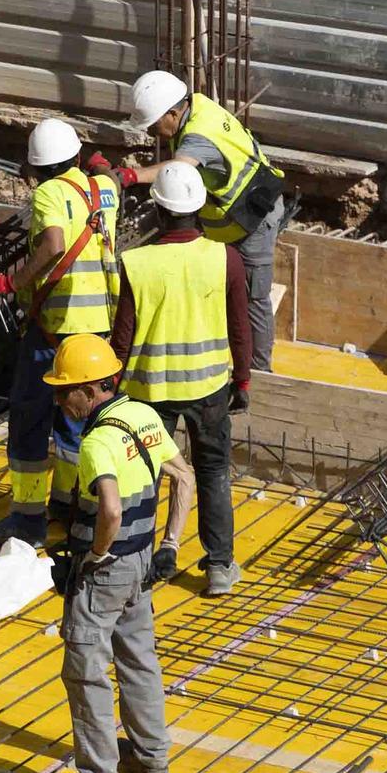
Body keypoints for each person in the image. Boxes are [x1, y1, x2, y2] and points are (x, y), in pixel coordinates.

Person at [34, 335, 195, 773]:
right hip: (142, 562)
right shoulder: (143, 416)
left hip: (107, 570)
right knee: (138, 657)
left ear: (90, 388)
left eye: (66, 391)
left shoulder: (97, 441)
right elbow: (183, 478)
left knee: (84, 668)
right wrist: (170, 545)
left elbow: (109, 509)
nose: (61, 401)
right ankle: (150, 755)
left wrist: (95, 557)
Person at [0, 118, 121, 548]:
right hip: (99, 329)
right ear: (77, 158)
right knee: (78, 423)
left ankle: (26, 522)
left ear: (35, 170)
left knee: (28, 418)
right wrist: (98, 162)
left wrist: (13, 282)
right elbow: (111, 174)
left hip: (55, 330)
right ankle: (70, 504)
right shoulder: (104, 190)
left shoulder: (47, 194)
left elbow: (55, 244)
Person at [111, 164, 250, 596]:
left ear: (159, 210)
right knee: (212, 473)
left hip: (149, 393)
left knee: (145, 477)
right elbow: (241, 328)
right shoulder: (225, 257)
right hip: (209, 389)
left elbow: (122, 337)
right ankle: (220, 567)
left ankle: (138, 565)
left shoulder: (137, 263)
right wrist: (242, 380)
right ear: (199, 208)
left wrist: (109, 391)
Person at [119, 70, 287, 372]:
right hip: (233, 217)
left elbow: (178, 169)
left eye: (153, 125)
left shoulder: (199, 135)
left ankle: (260, 372)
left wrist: (132, 176)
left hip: (255, 219)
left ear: (172, 113)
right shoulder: (195, 106)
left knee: (253, 300)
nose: (151, 134)